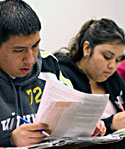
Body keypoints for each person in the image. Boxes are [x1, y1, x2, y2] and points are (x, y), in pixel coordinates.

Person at [0, 0, 105, 147]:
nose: (30, 59)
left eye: (35, 45)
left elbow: (73, 111)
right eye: (19, 50)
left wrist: (84, 126)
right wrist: (10, 140)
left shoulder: (48, 64)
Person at [57, 18, 125, 149]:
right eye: (107, 57)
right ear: (87, 48)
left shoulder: (112, 78)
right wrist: (111, 124)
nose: (112, 66)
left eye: (118, 59)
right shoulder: (64, 76)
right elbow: (66, 134)